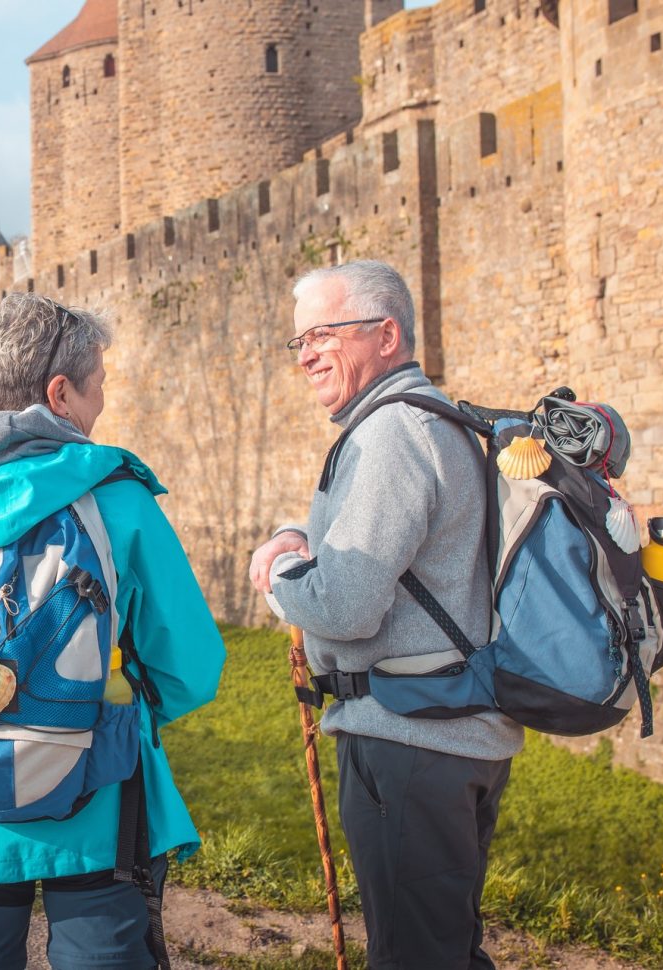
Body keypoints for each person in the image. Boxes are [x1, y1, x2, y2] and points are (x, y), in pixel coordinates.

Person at [0, 292, 225, 970]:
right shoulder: (118, 500)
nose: (100, 404)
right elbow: (188, 665)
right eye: (96, 386)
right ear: (60, 394)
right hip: (96, 798)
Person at [248, 261, 523, 970]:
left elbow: (344, 604)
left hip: (410, 743)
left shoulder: (393, 433)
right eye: (297, 340)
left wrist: (278, 576)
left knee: (416, 958)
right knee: (440, 949)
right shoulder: (433, 418)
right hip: (442, 732)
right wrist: (298, 535)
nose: (305, 353)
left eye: (321, 334)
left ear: (386, 334)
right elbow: (390, 553)